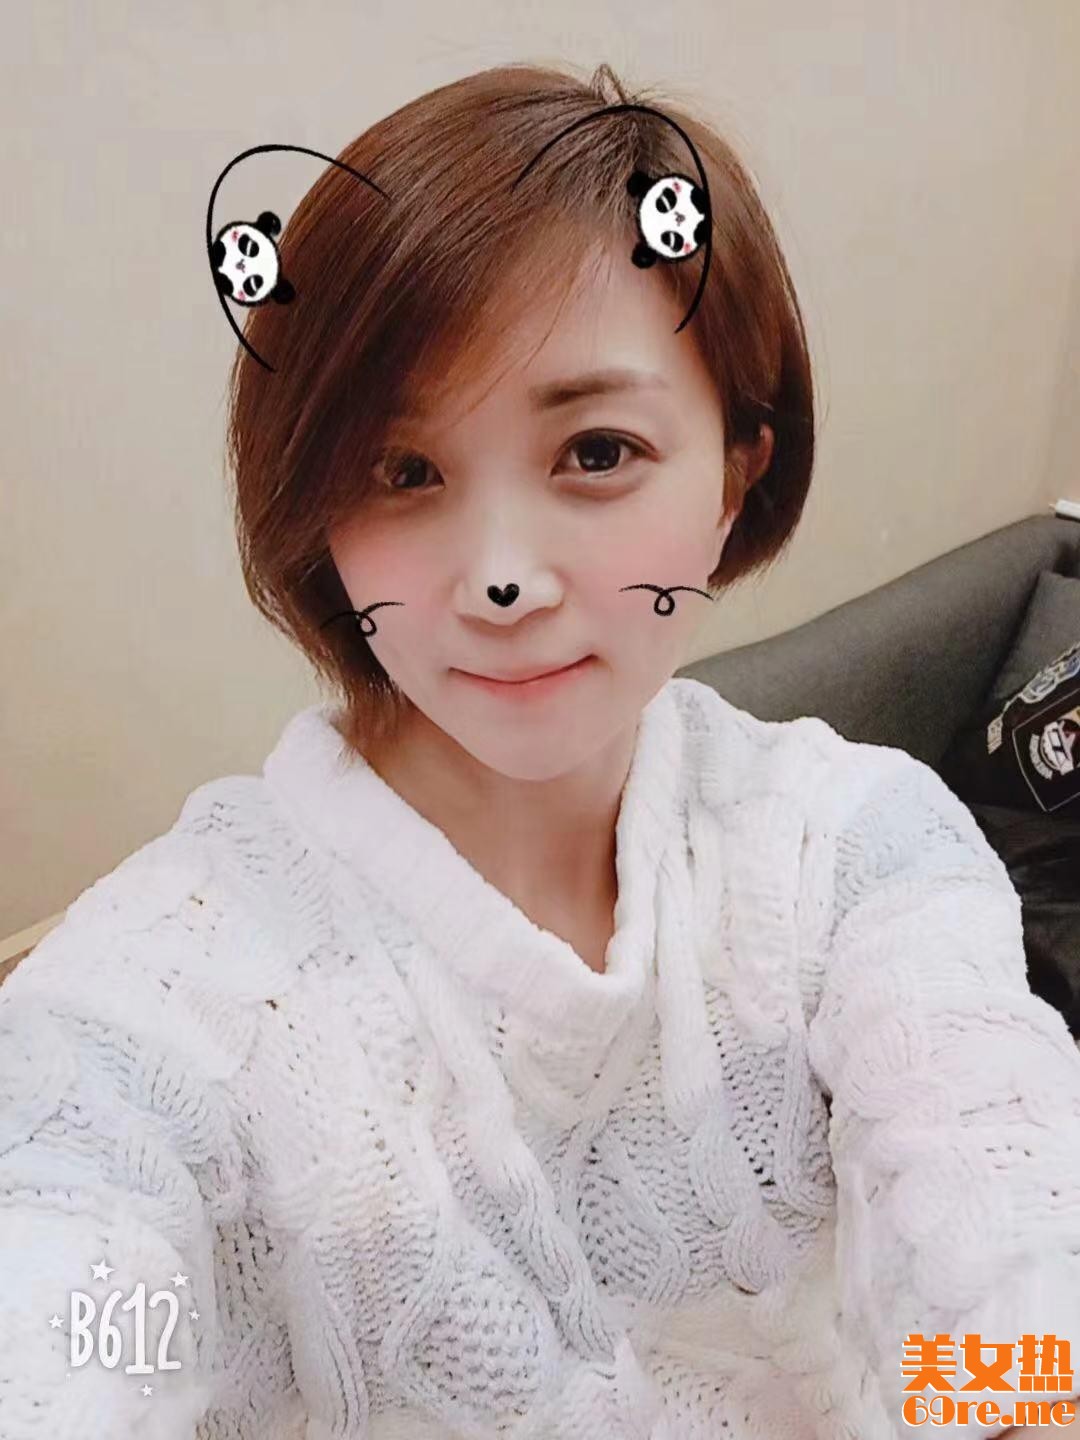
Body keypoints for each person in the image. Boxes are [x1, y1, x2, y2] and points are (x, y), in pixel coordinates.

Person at [3, 60, 1080, 1440]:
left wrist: (999, 1401)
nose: (500, 578)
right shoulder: (165, 1005)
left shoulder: (855, 848)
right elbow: (71, 1303)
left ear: (737, 469)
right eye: (404, 473)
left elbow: (1006, 1262)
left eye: (596, 452)